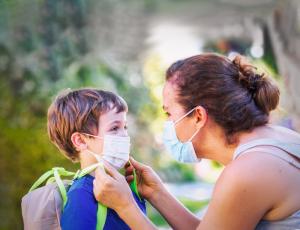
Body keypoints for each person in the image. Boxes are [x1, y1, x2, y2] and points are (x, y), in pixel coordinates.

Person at [92, 53, 300, 230]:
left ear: (198, 116)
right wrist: (157, 193)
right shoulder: (278, 138)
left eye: (169, 113)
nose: (169, 124)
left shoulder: (248, 171)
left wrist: (126, 206)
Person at [47, 88, 146, 229]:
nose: (125, 135)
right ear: (80, 141)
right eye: (114, 128)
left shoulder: (124, 188)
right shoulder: (80, 196)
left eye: (125, 127)